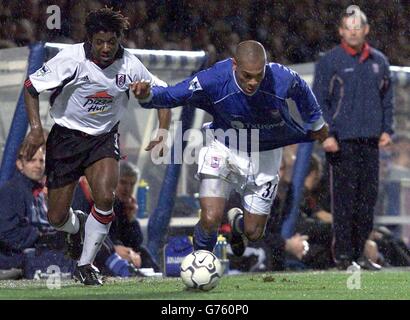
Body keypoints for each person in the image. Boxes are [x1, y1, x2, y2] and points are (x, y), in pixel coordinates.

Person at [132, 40, 329, 257]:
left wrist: (317, 123)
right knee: (210, 217)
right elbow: (172, 94)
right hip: (224, 147)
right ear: (234, 65)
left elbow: (302, 89)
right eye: (247, 76)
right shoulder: (213, 79)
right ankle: (200, 261)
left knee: (253, 232)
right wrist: (146, 96)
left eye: (258, 75)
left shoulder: (280, 77)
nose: (253, 82)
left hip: (265, 154)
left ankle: (237, 223)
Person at [23, 8, 170, 285]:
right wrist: (35, 129)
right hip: (65, 138)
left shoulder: (130, 65)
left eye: (111, 42)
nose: (105, 48)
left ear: (119, 40)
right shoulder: (70, 59)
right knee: (56, 217)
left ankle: (85, 264)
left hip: (103, 138)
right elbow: (31, 87)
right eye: (99, 41)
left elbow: (162, 94)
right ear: (89, 39)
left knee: (105, 197)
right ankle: (76, 226)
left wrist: (162, 131)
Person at [313, 8, 394, 270]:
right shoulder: (330, 61)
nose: (353, 31)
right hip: (341, 142)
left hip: (371, 142)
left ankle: (361, 255)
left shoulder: (379, 61)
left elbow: (387, 100)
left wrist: (386, 130)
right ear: (341, 31)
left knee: (367, 199)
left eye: (357, 26)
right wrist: (326, 135)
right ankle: (344, 257)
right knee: (344, 201)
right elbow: (319, 102)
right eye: (348, 27)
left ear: (366, 29)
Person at [0, 140, 73, 278]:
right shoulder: (11, 191)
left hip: (37, 254)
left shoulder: (37, 191)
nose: (38, 165)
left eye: (41, 160)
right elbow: (5, 232)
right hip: (17, 260)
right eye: (32, 160)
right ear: (20, 164)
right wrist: (39, 236)